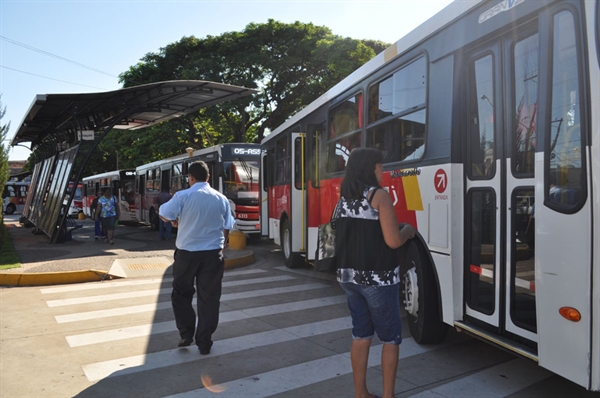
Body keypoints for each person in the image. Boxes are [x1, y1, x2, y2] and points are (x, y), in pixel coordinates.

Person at [335, 148, 416, 398]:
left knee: (361, 333)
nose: (383, 171)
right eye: (380, 166)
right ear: (370, 168)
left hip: (348, 278)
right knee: (391, 338)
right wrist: (408, 231)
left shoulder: (344, 197)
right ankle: (388, 396)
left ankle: (361, 393)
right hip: (378, 279)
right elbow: (393, 241)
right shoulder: (378, 196)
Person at [159, 161, 235, 355]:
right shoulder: (221, 198)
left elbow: (163, 213)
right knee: (209, 298)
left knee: (181, 293)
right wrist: (223, 244)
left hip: (187, 254)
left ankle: (186, 333)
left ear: (190, 177)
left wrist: (174, 219)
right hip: (213, 254)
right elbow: (228, 224)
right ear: (208, 177)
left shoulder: (183, 196)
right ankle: (204, 342)